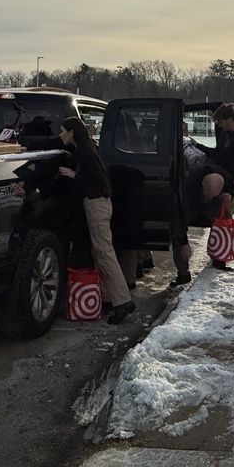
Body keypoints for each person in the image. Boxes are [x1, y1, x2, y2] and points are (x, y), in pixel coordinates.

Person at [57, 117, 136, 324]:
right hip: (98, 203)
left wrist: (74, 175)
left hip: (96, 204)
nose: (60, 134)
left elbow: (98, 179)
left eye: (63, 130)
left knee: (104, 252)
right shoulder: (86, 148)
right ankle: (109, 298)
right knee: (99, 252)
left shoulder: (85, 153)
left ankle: (123, 301)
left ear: (72, 132)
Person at [192, 103, 234, 270]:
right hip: (225, 179)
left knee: (224, 213)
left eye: (221, 122)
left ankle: (222, 252)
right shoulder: (225, 135)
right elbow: (217, 154)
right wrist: (198, 146)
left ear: (230, 119)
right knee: (220, 213)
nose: (219, 125)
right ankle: (224, 247)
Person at [169, 162, 234, 286]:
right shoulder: (188, 185)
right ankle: (183, 274)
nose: (209, 197)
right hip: (190, 207)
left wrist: (230, 194)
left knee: (225, 218)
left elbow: (231, 184)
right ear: (202, 184)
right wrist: (184, 243)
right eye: (207, 194)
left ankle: (220, 257)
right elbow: (178, 218)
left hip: (210, 203)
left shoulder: (224, 176)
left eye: (212, 196)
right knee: (177, 235)